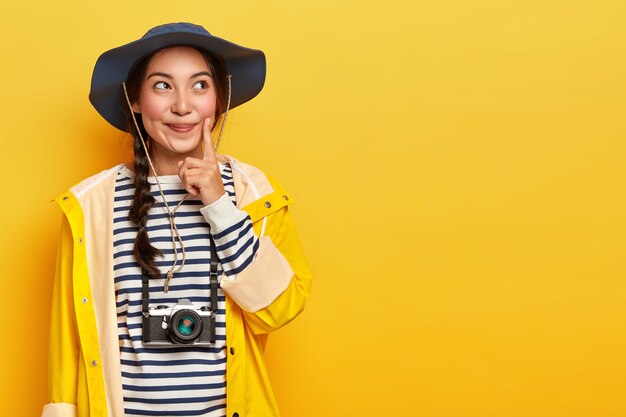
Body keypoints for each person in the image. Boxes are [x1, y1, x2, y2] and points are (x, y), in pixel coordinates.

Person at [42, 22, 312, 417]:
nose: (183, 105)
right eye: (162, 86)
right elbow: (68, 336)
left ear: (219, 99)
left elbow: (280, 309)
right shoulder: (91, 204)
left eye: (200, 85)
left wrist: (220, 207)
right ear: (135, 99)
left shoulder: (254, 194)